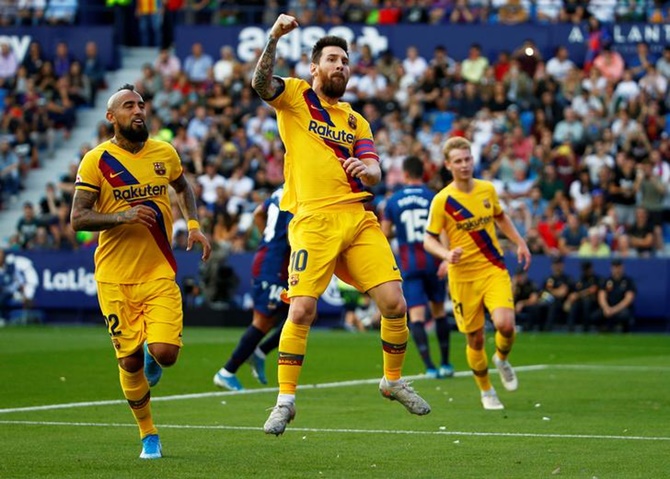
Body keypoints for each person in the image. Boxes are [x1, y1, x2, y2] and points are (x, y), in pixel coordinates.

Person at [252, 14, 431, 436]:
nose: (340, 67)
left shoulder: (356, 121)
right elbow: (261, 85)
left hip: (358, 219)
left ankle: (391, 381)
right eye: (332, 59)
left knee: (395, 304)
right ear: (314, 67)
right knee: (302, 308)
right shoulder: (295, 96)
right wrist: (274, 37)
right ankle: (285, 402)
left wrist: (369, 172)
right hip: (313, 220)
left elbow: (373, 168)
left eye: (346, 62)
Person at [70, 84, 211, 459]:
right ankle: (148, 433)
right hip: (114, 277)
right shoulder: (96, 160)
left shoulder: (164, 153)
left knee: (165, 353)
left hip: (158, 270)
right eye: (128, 106)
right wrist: (123, 216)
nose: (138, 111)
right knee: (128, 361)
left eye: (141, 105)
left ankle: (154, 356)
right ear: (111, 117)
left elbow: (182, 187)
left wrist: (194, 224)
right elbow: (78, 218)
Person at [423, 137, 531, 410]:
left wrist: (520, 242)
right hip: (462, 277)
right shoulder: (442, 200)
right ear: (448, 165)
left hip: (493, 268)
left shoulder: (487, 189)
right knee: (475, 338)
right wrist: (446, 255)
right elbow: (429, 239)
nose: (464, 165)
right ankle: (486, 390)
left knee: (506, 324)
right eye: (458, 161)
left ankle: (502, 359)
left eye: (467, 159)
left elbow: (501, 217)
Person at [381, 156, 453, 379]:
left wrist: (397, 232)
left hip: (410, 264)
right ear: (423, 173)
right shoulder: (434, 197)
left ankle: (430, 367)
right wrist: (446, 257)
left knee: (417, 315)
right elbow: (443, 230)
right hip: (434, 261)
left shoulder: (393, 201)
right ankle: (446, 364)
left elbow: (384, 233)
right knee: (439, 311)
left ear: (405, 174)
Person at [213, 186, 292, 390]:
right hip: (274, 265)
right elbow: (293, 234)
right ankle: (227, 371)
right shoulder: (299, 191)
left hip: (271, 258)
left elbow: (258, 213)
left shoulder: (281, 190)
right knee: (263, 321)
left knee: (304, 313)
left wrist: (268, 237)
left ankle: (258, 353)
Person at [591, 259, 636, 332]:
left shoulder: (628, 281)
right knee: (594, 316)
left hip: (620, 309)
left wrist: (614, 310)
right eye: (615, 267)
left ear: (622, 268)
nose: (617, 269)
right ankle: (603, 329)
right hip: (608, 307)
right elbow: (601, 296)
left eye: (618, 267)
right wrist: (606, 308)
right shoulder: (606, 281)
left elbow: (628, 299)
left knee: (625, 315)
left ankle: (623, 331)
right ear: (611, 268)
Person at [565, 260, 600, 332]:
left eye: (587, 269)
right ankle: (570, 329)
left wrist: (578, 295)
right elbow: (575, 291)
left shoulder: (596, 278)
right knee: (574, 305)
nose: (586, 271)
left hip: (594, 302)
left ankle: (586, 329)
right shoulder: (581, 279)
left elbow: (592, 290)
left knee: (586, 303)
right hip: (581, 301)